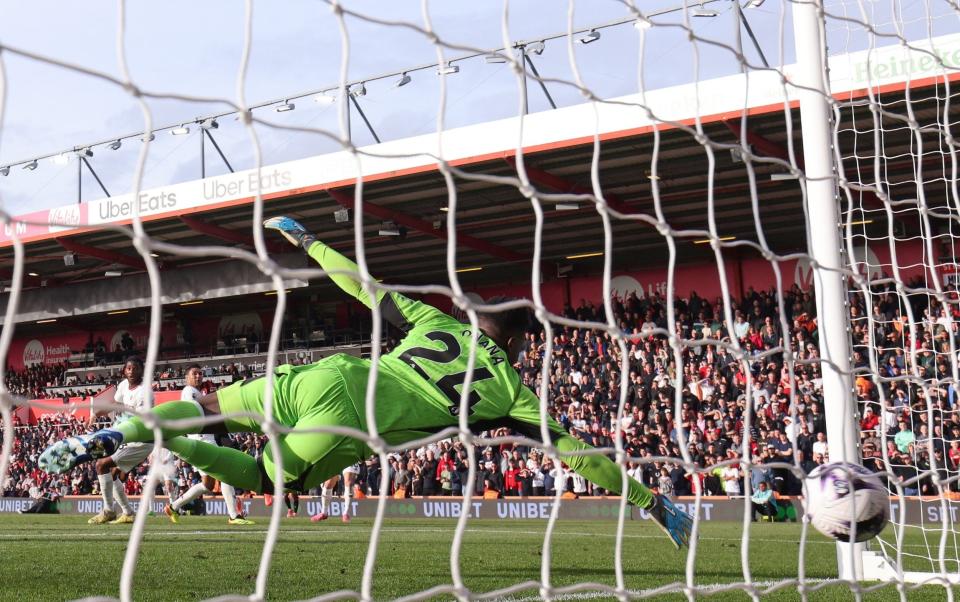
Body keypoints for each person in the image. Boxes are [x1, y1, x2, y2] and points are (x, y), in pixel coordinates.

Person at [39, 216, 693, 549]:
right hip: (353, 419)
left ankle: (130, 431)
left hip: (328, 371)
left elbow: (366, 286)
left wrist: (311, 243)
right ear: (519, 345)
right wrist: (648, 501)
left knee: (206, 406)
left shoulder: (435, 319)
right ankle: (169, 445)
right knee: (274, 480)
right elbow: (577, 454)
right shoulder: (512, 392)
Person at [163, 365, 254, 525]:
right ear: (187, 378)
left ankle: (174, 506)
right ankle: (234, 515)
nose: (198, 376)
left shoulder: (198, 393)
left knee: (208, 484)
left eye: (200, 373)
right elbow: (195, 412)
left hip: (203, 440)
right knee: (225, 472)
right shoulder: (189, 391)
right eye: (194, 374)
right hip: (201, 440)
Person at [86, 358, 151, 525]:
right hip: (125, 435)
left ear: (141, 371)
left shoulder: (145, 391)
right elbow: (115, 404)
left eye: (135, 368)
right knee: (111, 473)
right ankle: (128, 512)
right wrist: (95, 414)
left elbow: (142, 418)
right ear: (124, 371)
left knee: (101, 465)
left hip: (141, 438)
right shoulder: (123, 386)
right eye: (128, 368)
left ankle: (108, 511)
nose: (131, 371)